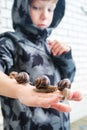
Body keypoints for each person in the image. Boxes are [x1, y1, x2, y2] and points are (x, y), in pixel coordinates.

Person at [0, 0, 82, 129]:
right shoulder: (10, 42)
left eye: (50, 10)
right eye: (37, 8)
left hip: (61, 124)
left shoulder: (51, 46)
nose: (45, 15)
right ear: (23, 8)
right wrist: (19, 90)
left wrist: (66, 57)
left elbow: (68, 79)